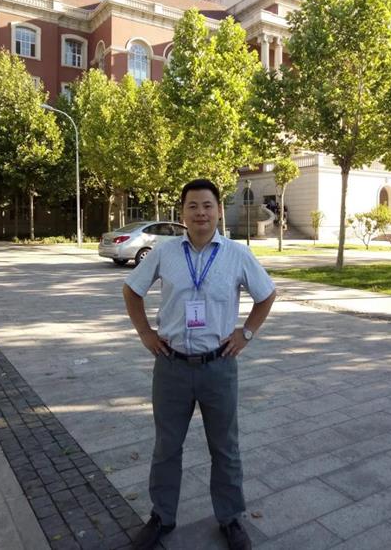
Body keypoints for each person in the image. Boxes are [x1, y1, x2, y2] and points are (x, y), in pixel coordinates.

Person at [123, 179, 276, 550]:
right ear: (182, 212)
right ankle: (161, 517)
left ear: (219, 211)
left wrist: (246, 334)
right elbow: (132, 289)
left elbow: (267, 294)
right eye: (192, 206)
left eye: (207, 205)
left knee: (225, 448)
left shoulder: (237, 254)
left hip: (218, 366)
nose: (200, 213)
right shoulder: (165, 252)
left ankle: (230, 518)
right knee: (166, 447)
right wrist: (145, 333)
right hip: (171, 366)